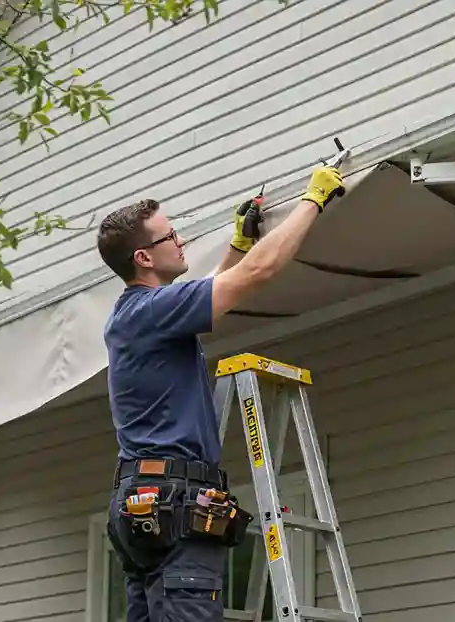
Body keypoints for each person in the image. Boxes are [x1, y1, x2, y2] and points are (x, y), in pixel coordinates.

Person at [95, 165, 346, 622]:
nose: (180, 241)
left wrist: (238, 242)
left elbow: (212, 290)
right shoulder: (150, 311)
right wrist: (315, 199)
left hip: (146, 502)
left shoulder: (141, 314)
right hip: (172, 501)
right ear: (143, 259)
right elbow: (258, 272)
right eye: (169, 236)